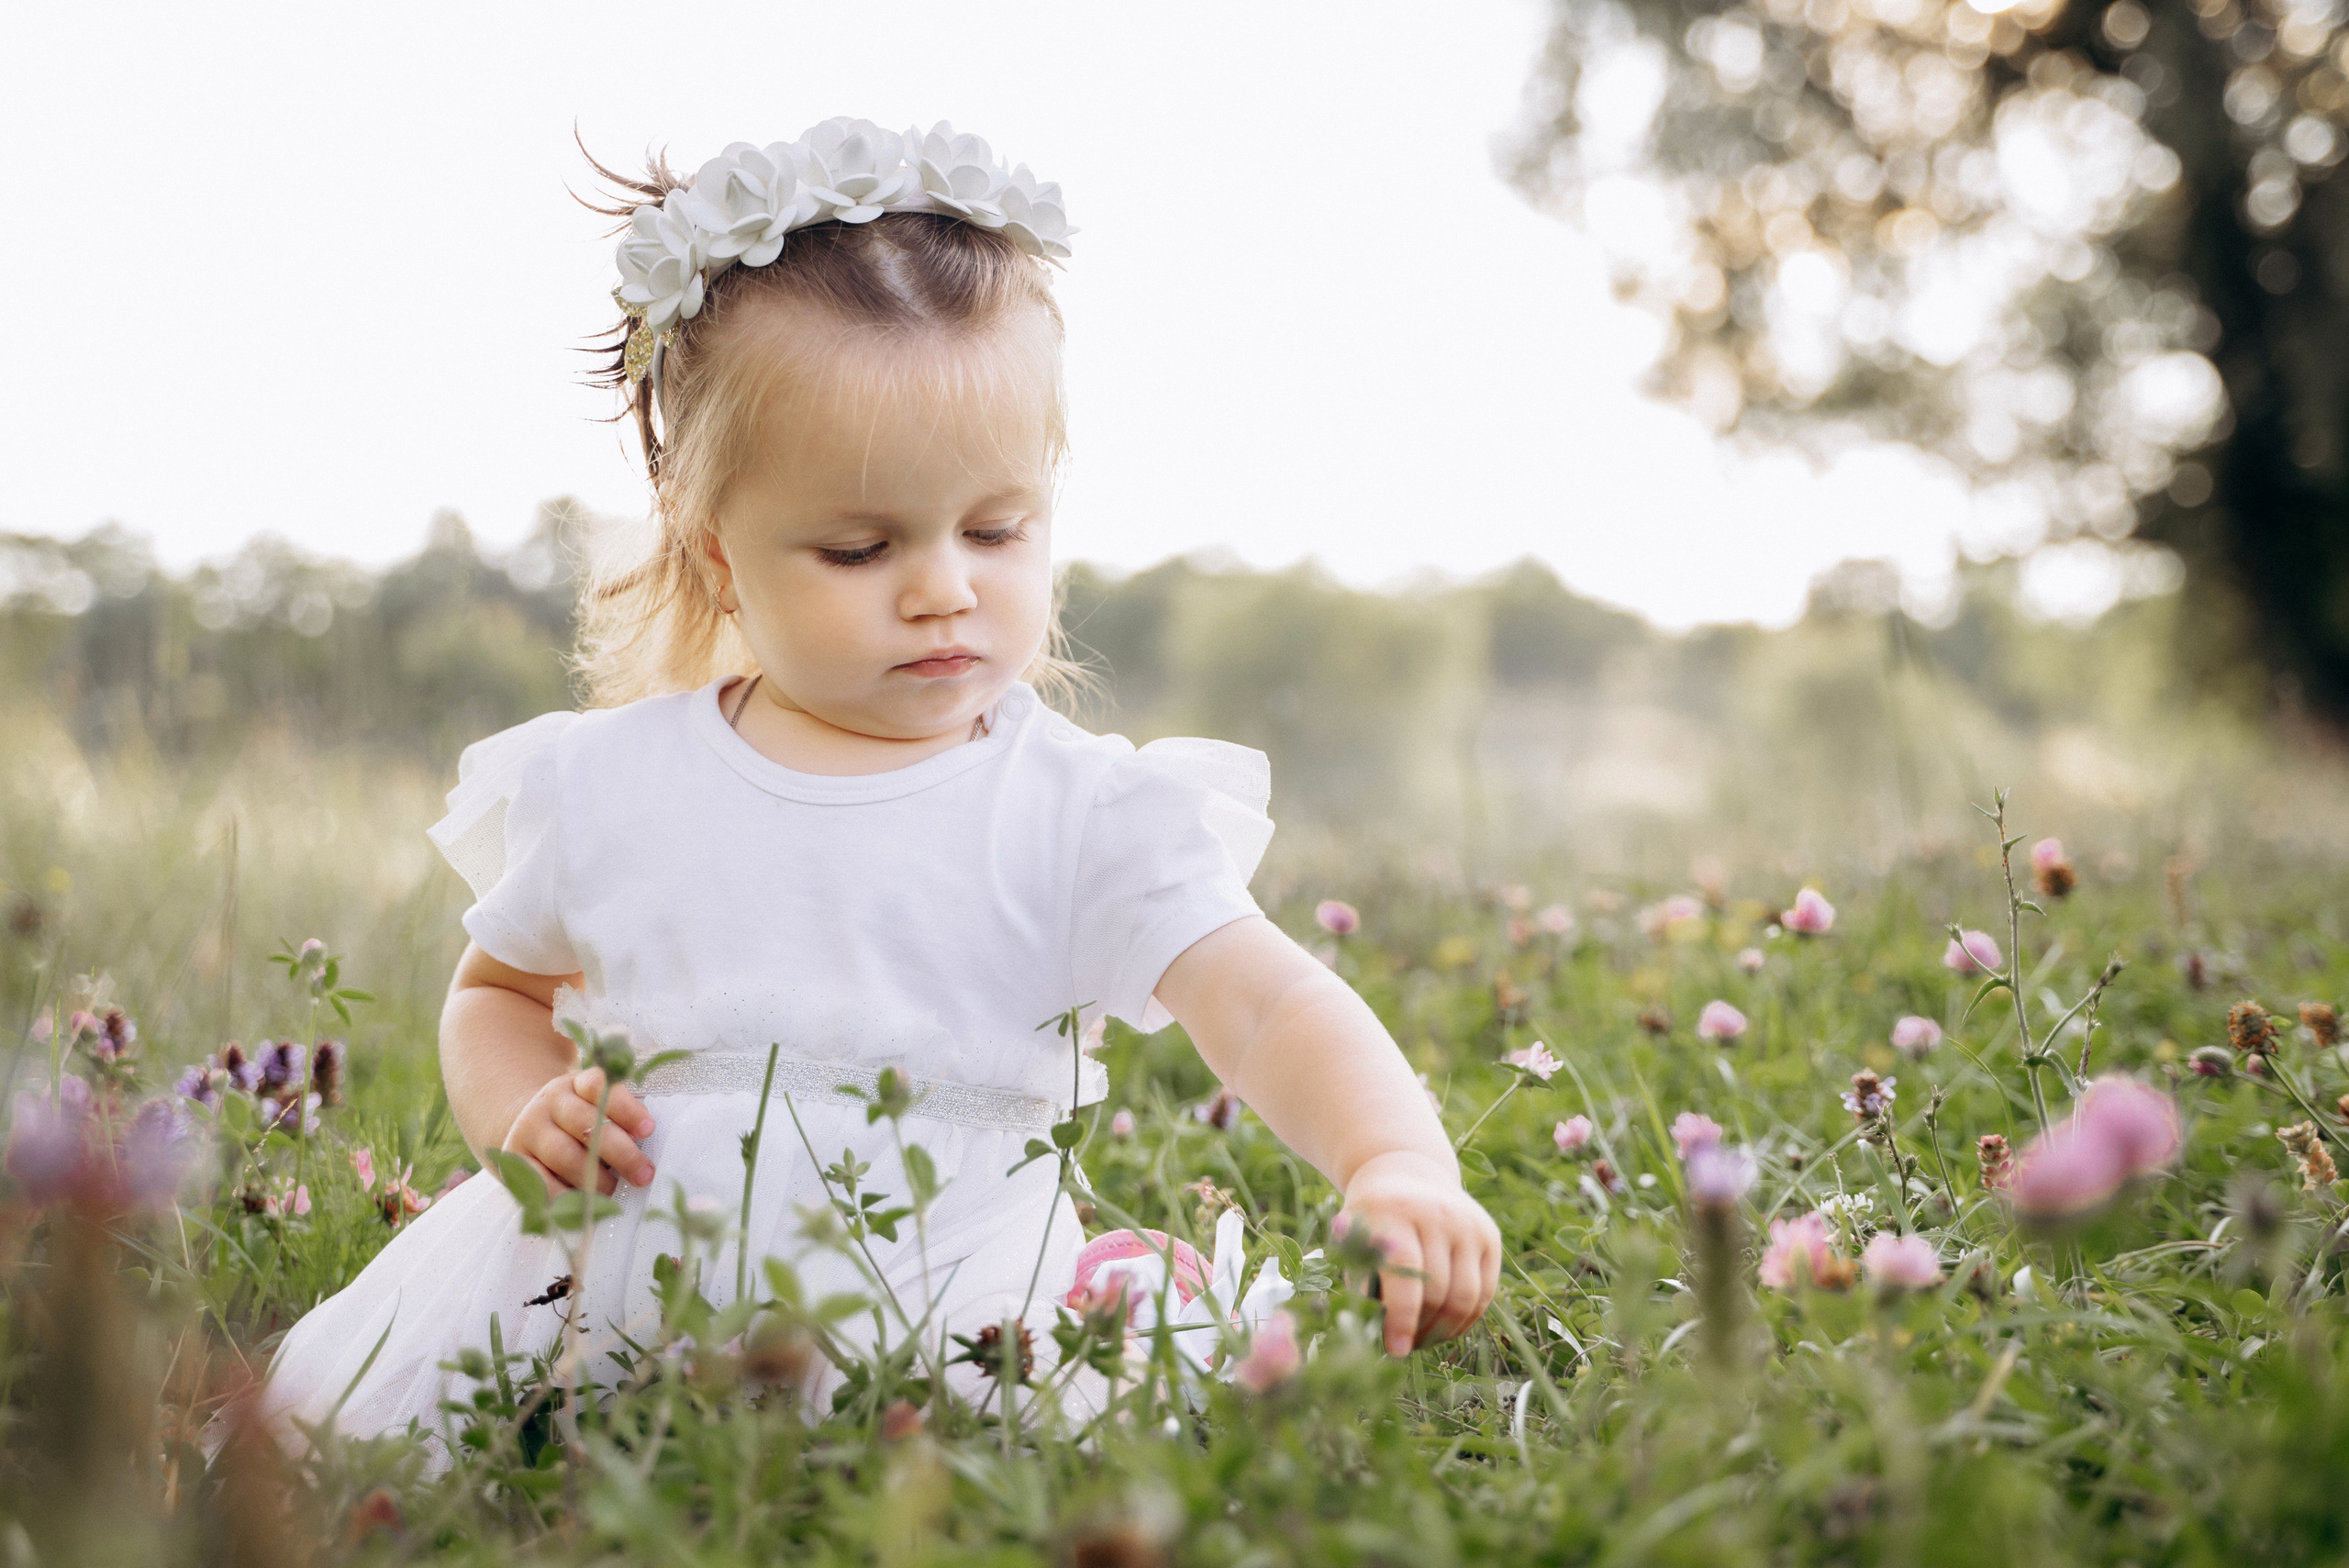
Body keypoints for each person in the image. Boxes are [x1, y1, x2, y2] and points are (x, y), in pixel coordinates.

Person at [255, 117, 1498, 1452]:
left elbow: (1267, 1006)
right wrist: (521, 1111)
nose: (944, 586)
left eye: (997, 529)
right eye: (860, 548)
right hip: (599, 1293)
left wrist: (1394, 1159)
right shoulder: (616, 783)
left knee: (1014, 1434)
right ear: (720, 555)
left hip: (948, 1295)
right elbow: (497, 992)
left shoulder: (1078, 812)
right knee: (378, 1440)